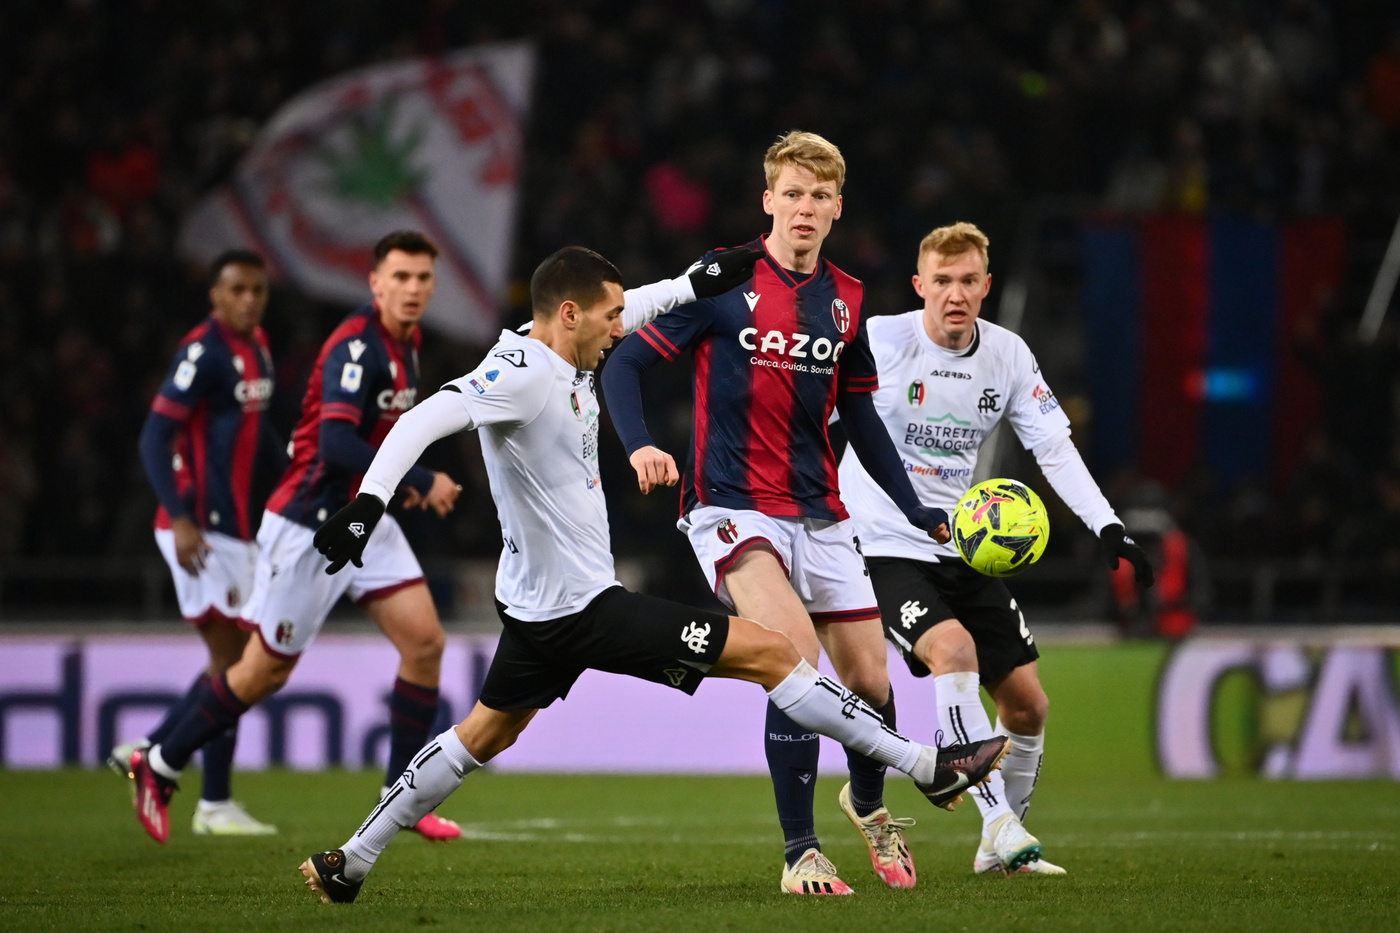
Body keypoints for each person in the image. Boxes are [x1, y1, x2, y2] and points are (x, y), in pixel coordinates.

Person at [295, 245, 1008, 904]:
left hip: (537, 615)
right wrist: (367, 504)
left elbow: (635, 303)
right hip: (587, 612)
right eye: (607, 320)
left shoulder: (558, 336)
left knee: (480, 735)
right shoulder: (519, 373)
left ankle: (352, 858)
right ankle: (926, 765)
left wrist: (693, 282)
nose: (618, 334)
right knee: (774, 653)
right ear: (570, 314)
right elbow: (424, 418)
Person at [602, 131, 956, 894]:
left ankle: (868, 805)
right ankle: (801, 851)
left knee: (870, 678)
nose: (804, 207)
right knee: (794, 654)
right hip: (730, 507)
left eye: (818, 195)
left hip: (821, 512)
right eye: (791, 193)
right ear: (769, 200)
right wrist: (638, 445)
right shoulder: (723, 280)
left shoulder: (849, 299)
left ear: (837, 207)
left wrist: (915, 506)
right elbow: (624, 359)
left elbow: (861, 419)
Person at [836, 222, 1155, 875]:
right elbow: (810, 414)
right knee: (953, 651)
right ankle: (999, 821)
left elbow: (1053, 446)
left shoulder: (1007, 355)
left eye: (968, 281)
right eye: (942, 281)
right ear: (920, 285)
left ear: (987, 286)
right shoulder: (879, 341)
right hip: (883, 543)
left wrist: (1107, 526)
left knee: (1028, 703)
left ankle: (997, 848)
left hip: (964, 546)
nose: (955, 294)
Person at [129, 231, 464, 844]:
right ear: (376, 283)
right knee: (259, 673)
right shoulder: (356, 347)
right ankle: (159, 762)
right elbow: (334, 444)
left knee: (425, 643)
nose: (413, 289)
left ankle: (400, 801)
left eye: (423, 278)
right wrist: (417, 474)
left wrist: (395, 484)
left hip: (365, 514)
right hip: (312, 525)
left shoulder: (406, 343)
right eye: (401, 277)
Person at [113, 250, 284, 835]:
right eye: (236, 289)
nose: (247, 300)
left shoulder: (257, 345)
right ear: (215, 295)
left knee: (230, 660)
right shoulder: (204, 351)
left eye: (256, 290)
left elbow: (256, 433)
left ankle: (152, 748)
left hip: (234, 529)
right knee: (236, 662)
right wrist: (182, 518)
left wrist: (297, 464)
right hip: (202, 528)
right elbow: (152, 438)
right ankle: (211, 801)